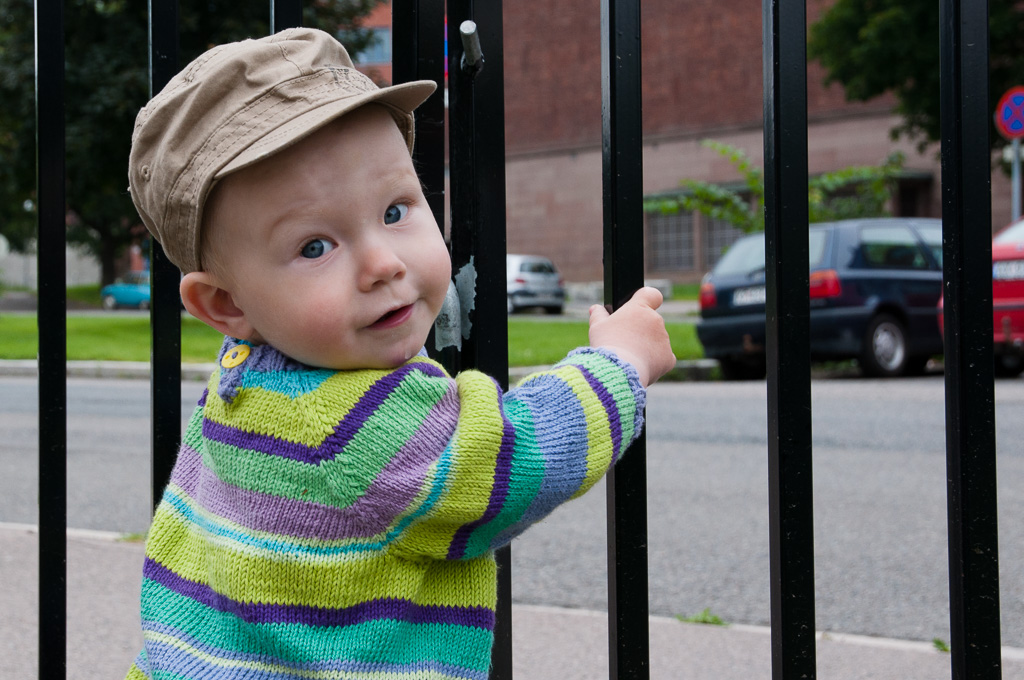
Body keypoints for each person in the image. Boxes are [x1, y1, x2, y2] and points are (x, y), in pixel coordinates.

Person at [124, 27, 676, 680]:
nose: (383, 264)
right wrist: (619, 365)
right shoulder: (359, 421)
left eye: (394, 210)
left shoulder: (246, 378)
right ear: (229, 307)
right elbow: (514, 458)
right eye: (314, 247)